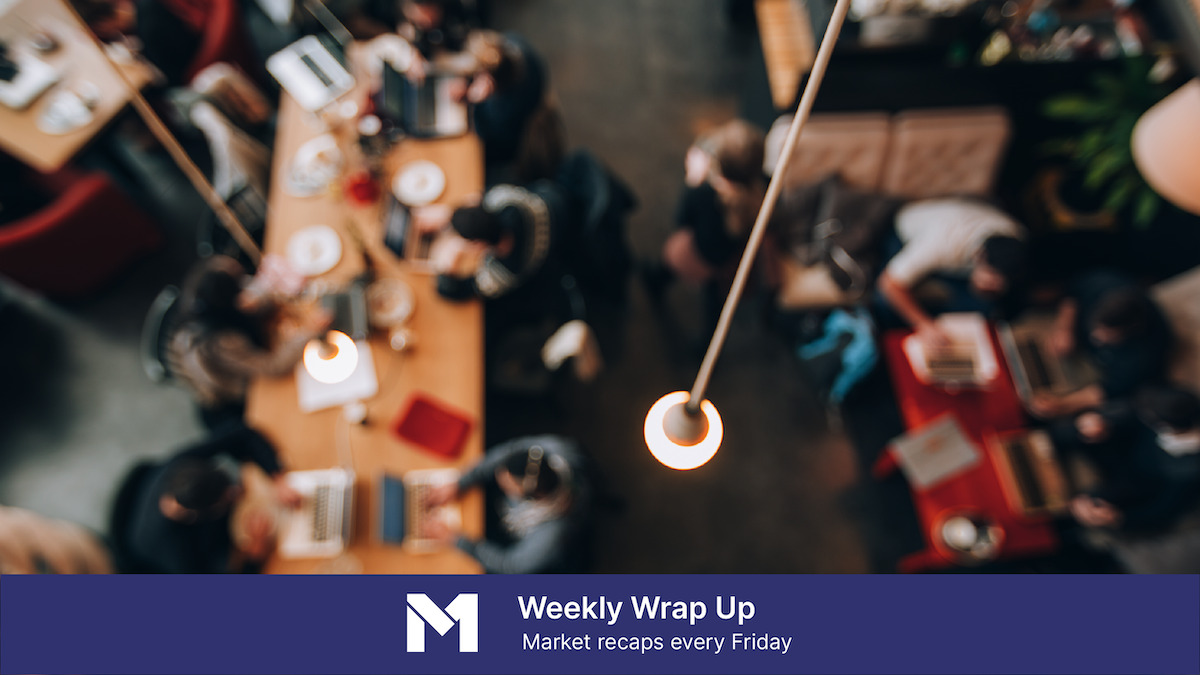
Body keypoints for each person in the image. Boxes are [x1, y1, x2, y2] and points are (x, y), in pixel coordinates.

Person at [167, 255, 330, 429]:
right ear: (232, 299)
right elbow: (272, 366)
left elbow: (254, 305)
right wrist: (310, 333)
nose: (248, 284)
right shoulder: (220, 343)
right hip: (233, 396)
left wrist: (262, 303)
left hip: (235, 355)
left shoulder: (201, 301)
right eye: (240, 283)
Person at [121, 423, 300, 573]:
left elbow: (240, 434)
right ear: (200, 515)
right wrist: (254, 557)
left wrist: (277, 477)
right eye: (228, 498)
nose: (237, 492)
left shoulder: (180, 467)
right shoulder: (179, 554)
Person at [642, 120, 766, 331]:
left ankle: (655, 283)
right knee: (712, 298)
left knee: (671, 258)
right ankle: (707, 340)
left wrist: (693, 179)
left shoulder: (704, 195)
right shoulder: (758, 192)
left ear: (717, 163)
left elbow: (681, 221)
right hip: (728, 258)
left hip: (697, 254)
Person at [424, 435, 591, 574]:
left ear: (526, 495)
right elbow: (505, 453)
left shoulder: (552, 535)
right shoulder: (546, 450)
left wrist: (456, 540)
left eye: (508, 483)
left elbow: (510, 564)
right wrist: (460, 482)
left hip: (510, 540)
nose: (499, 475)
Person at [875, 198, 1028, 346]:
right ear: (979, 255)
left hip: (956, 251)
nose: (994, 285)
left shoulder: (1017, 240)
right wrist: (924, 324)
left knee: (987, 308)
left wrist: (987, 289)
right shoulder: (943, 244)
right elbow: (888, 284)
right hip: (903, 233)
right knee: (883, 302)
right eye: (991, 277)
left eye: (999, 282)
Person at [1052, 385, 1200, 532]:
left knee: (1091, 506)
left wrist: (1118, 518)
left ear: (1164, 425)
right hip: (1118, 452)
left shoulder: (1189, 471)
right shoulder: (1166, 405)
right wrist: (1102, 423)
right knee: (1070, 431)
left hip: (1133, 486)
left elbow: (1163, 510)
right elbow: (1128, 416)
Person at [1030, 270, 1172, 419]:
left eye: (1109, 336)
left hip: (1092, 369)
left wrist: (1062, 404)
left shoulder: (1145, 356)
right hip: (1064, 333)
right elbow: (1073, 294)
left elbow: (1107, 391)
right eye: (1097, 328)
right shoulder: (1105, 284)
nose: (1096, 336)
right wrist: (1065, 329)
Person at [430, 182, 566, 310]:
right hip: (555, 201)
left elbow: (456, 291)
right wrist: (450, 215)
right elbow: (483, 195)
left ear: (478, 245)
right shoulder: (504, 199)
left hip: (558, 249)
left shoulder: (503, 272)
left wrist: (447, 269)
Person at [455, 30, 564, 184]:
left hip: (514, 139)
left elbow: (484, 136)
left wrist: (475, 102)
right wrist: (467, 84)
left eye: (477, 76)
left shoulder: (505, 109)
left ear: (489, 82)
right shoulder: (510, 47)